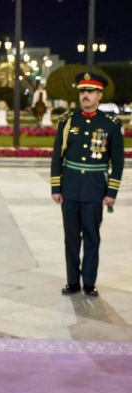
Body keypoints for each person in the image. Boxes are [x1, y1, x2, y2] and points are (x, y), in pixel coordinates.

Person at [50, 72, 124, 297]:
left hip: (94, 189)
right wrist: (56, 187)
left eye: (90, 91)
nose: (85, 95)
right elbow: (57, 156)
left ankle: (89, 282)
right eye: (83, 91)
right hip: (70, 187)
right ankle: (73, 281)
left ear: (99, 95)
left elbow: (118, 161)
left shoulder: (110, 124)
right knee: (71, 237)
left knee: (91, 236)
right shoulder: (67, 121)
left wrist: (111, 191)